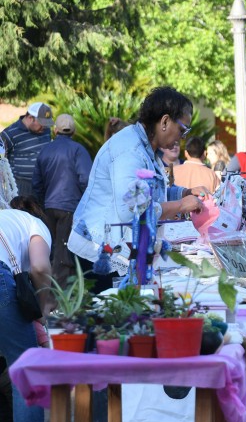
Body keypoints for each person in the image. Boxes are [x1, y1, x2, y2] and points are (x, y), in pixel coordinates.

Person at [68, 86, 207, 290]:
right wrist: (180, 206)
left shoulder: (146, 148)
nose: (183, 137)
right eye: (183, 129)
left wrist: (183, 193)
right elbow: (133, 208)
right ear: (165, 121)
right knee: (111, 318)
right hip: (100, 252)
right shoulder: (129, 150)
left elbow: (149, 191)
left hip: (118, 249)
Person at [0, 196, 53, 422]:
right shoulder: (36, 225)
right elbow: (40, 268)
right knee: (26, 368)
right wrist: (43, 307)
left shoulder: (7, 219)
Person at [32, 114, 93, 287]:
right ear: (73, 130)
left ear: (55, 130)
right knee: (64, 254)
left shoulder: (45, 150)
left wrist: (44, 203)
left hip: (49, 207)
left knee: (51, 253)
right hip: (71, 208)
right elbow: (86, 179)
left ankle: (47, 293)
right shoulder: (78, 150)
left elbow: (36, 182)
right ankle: (62, 298)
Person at [0, 102, 54, 197]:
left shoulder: (46, 131)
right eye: (42, 123)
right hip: (20, 187)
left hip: (43, 185)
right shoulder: (9, 134)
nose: (45, 127)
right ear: (30, 118)